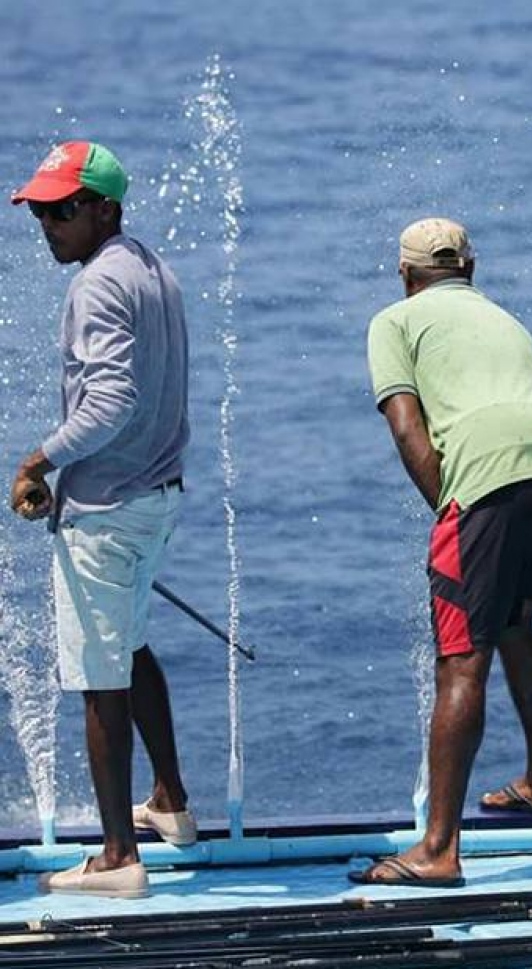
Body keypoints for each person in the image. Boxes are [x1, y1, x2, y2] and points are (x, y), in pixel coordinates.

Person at [351, 218, 532, 887]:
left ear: (405, 275)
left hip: (488, 481)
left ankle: (437, 850)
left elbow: (408, 429)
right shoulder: (505, 317)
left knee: (461, 660)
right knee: (513, 621)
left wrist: (453, 513)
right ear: (471, 270)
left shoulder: (394, 322)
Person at [9, 141, 197, 899]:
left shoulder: (96, 284)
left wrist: (39, 462)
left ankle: (119, 855)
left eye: (63, 210)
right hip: (156, 496)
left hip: (107, 509)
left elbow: (110, 402)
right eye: (41, 212)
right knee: (131, 643)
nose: (48, 225)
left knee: (98, 675)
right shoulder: (152, 269)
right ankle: (171, 802)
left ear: (105, 209)